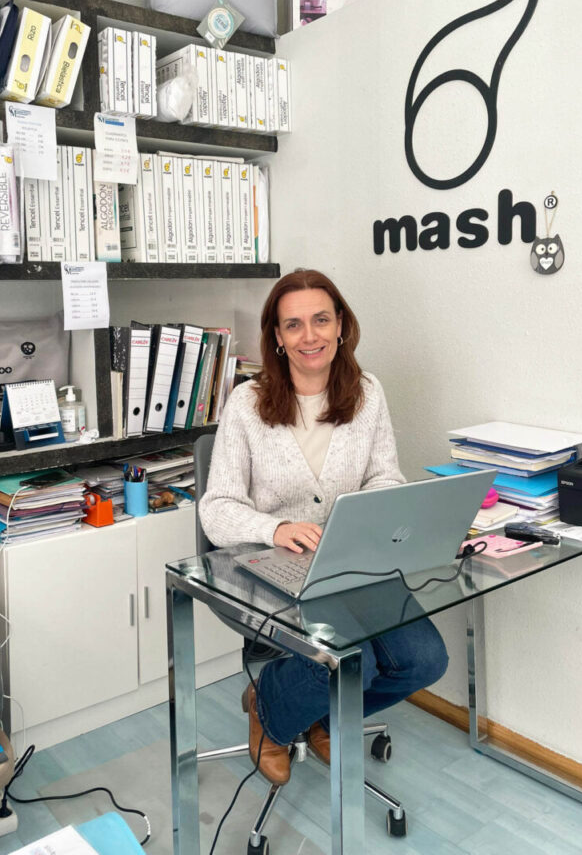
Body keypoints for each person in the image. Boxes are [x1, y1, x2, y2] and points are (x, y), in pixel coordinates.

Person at [199, 268, 449, 785]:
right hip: (268, 566)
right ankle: (271, 711)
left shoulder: (368, 392)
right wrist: (276, 528)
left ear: (341, 327)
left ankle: (313, 712)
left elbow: (385, 476)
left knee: (424, 660)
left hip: (350, 562)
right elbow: (217, 507)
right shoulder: (246, 404)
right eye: (294, 325)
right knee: (348, 660)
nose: (309, 336)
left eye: (321, 320)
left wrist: (372, 520)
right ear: (277, 337)